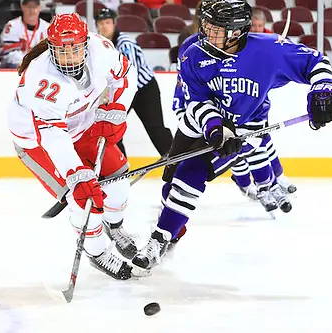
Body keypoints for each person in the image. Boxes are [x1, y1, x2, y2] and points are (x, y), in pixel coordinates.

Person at [133, 0, 332, 270]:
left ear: (236, 32)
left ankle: (160, 237)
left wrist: (322, 90)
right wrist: (215, 127)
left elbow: (317, 62)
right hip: (199, 123)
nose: (206, 33)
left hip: (244, 128)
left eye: (215, 29)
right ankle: (173, 226)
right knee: (170, 181)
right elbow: (198, 102)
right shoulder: (194, 53)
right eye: (206, 26)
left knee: (190, 173)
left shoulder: (269, 51)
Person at [6, 13, 140, 280]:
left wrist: (117, 108)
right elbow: (52, 134)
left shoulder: (100, 49)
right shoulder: (42, 79)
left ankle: (114, 226)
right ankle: (97, 252)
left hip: (81, 122)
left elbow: (125, 77)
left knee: (119, 180)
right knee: (83, 200)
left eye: (75, 49)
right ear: (51, 47)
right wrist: (76, 175)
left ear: (85, 44)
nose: (68, 57)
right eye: (61, 51)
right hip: (37, 141)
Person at [173, 1, 295, 210]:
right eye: (208, 25)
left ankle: (270, 184)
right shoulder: (193, 47)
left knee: (257, 144)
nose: (211, 31)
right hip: (209, 113)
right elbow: (191, 83)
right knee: (233, 150)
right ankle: (247, 184)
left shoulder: (252, 43)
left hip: (245, 110)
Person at [95, 8, 173, 157]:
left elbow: (130, 76)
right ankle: (118, 165)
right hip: (125, 89)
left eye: (108, 22)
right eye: (101, 23)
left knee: (155, 128)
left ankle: (174, 159)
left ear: (114, 24)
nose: (105, 26)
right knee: (112, 127)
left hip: (144, 89)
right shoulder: (100, 45)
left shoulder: (125, 43)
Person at [0, 0, 49, 69]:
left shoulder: (47, 28)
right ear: (22, 7)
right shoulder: (12, 26)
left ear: (40, 8)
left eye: (34, 7)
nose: (31, 10)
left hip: (40, 67)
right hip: (16, 67)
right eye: (28, 7)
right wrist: (27, 60)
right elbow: (7, 54)